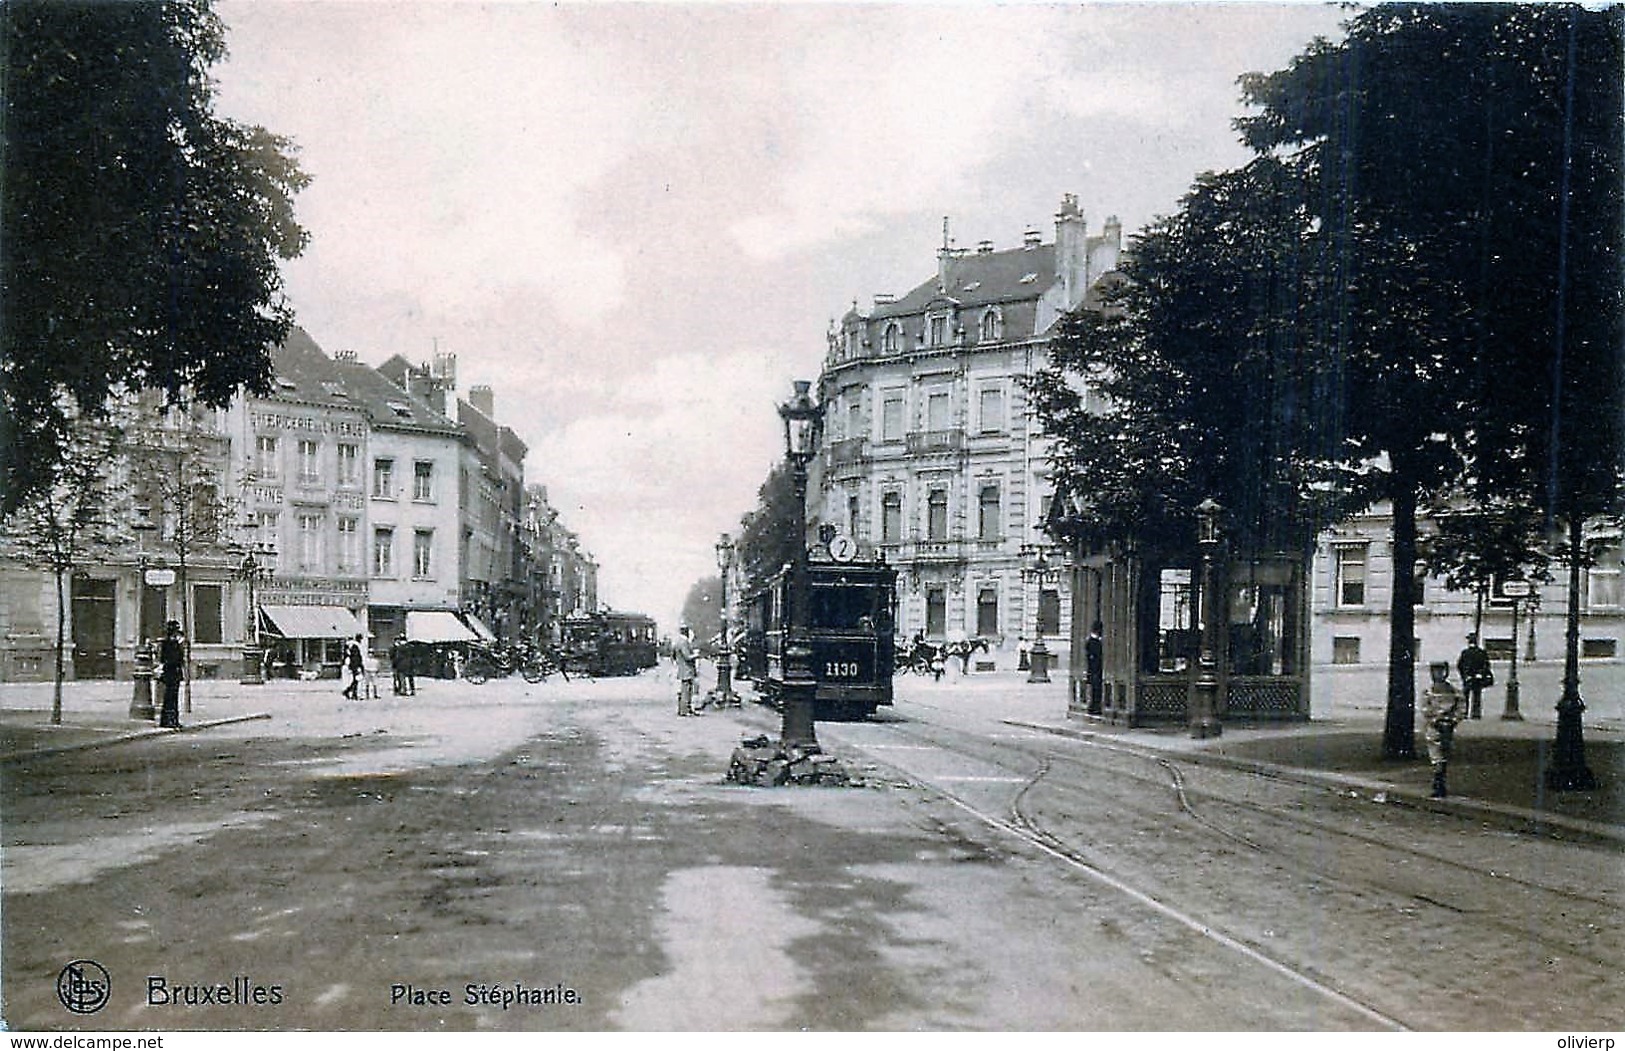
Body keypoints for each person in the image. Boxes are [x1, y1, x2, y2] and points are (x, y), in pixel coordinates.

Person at [1423, 661, 1466, 799]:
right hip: (1435, 726)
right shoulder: (1429, 691)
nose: (1438, 675)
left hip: (1447, 726)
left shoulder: (1453, 691)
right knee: (1436, 754)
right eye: (1435, 672)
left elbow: (1461, 708)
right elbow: (1426, 709)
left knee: (1444, 753)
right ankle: (1438, 782)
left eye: (1441, 672)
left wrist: (1453, 720)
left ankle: (1440, 782)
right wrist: (1435, 720)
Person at [1456, 634, 1492, 720]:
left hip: (1468, 677)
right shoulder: (1481, 652)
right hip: (1477, 677)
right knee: (1477, 696)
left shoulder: (1465, 652)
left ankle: (1465, 713)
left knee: (1466, 696)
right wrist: (1480, 674)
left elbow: (1460, 665)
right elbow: (1486, 665)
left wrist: (1464, 676)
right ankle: (1476, 713)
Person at [157, 620, 184, 729]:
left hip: (172, 673)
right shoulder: (169, 643)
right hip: (171, 673)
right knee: (170, 698)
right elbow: (172, 659)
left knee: (172, 698)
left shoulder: (172, 643)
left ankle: (172, 720)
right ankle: (169, 720)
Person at [672, 624, 699, 717]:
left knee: (686, 689)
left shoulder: (677, 641)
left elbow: (674, 656)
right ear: (686, 631)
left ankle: (684, 709)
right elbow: (687, 656)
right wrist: (696, 654)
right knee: (686, 691)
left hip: (682, 668)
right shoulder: (684, 642)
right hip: (687, 669)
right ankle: (685, 710)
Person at [1085, 620, 1105, 715]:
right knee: (1095, 689)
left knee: (1094, 688)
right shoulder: (1094, 642)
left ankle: (1093, 706)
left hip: (1092, 670)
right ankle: (1094, 707)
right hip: (1095, 670)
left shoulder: (1090, 641)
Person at [342, 633, 365, 700]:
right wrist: (359, 666)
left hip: (349, 664)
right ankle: (349, 692)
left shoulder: (349, 645)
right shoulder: (356, 646)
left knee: (354, 680)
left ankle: (351, 692)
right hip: (354, 665)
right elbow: (356, 657)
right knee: (356, 680)